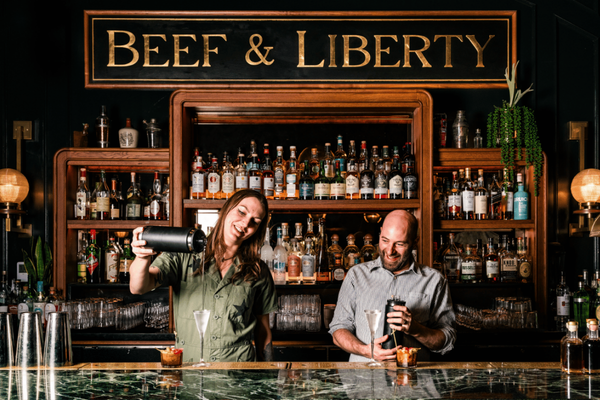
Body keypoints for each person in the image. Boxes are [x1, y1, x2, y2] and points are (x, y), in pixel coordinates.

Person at [129, 189, 277, 362]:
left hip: (239, 378)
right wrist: (141, 256)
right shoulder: (183, 255)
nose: (245, 223)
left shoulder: (258, 271)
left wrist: (267, 375)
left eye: (255, 221)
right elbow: (138, 287)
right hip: (190, 374)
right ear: (226, 209)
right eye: (241, 211)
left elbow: (263, 330)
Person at [329, 210, 456, 362]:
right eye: (385, 240)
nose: (390, 251)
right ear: (380, 233)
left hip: (413, 382)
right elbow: (338, 330)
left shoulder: (434, 280)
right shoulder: (356, 275)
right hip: (363, 382)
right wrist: (367, 351)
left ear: (415, 241)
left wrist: (415, 329)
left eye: (400, 244)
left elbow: (447, 341)